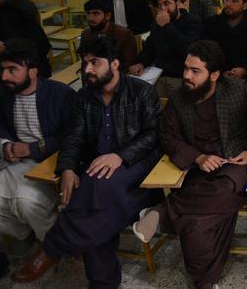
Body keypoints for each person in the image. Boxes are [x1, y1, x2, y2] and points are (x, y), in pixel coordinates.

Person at [11, 35, 163, 287]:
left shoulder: (141, 91)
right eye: (85, 63)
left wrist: (119, 156)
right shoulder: (83, 97)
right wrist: (68, 168)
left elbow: (153, 134)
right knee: (97, 207)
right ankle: (102, 284)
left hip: (137, 172)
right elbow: (73, 138)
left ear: (114, 64)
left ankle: (53, 248)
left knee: (94, 187)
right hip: (99, 178)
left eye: (95, 62)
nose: (87, 69)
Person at [132, 40, 247, 289]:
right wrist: (197, 157)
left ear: (214, 75)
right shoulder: (178, 98)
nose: (186, 76)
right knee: (196, 224)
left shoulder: (240, 91)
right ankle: (206, 283)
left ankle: (163, 213)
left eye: (195, 71)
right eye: (186, 69)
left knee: (225, 188)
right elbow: (168, 136)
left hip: (234, 166)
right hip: (196, 170)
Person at [0, 39, 75, 254]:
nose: (4, 76)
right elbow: (1, 126)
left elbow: (72, 135)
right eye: (3, 70)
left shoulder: (60, 94)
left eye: (12, 70)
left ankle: (53, 246)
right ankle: (24, 234)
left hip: (50, 162)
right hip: (15, 162)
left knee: (26, 201)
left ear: (33, 72)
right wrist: (6, 145)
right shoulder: (3, 93)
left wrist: (31, 149)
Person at [129, 0, 203, 97]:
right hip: (159, 75)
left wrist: (167, 26)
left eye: (166, 3)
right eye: (159, 6)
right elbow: (149, 49)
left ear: (177, 3)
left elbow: (188, 49)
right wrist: (141, 63)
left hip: (181, 76)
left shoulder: (193, 22)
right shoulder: (157, 24)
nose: (163, 9)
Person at [0, 0, 52, 77]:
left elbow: (31, 11)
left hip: (31, 50)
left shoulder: (19, 5)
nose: (1, 0)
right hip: (6, 55)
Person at [80, 0, 138, 70]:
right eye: (88, 13)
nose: (90, 18)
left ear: (108, 16)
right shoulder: (86, 34)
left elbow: (129, 64)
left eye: (96, 13)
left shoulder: (124, 34)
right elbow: (84, 61)